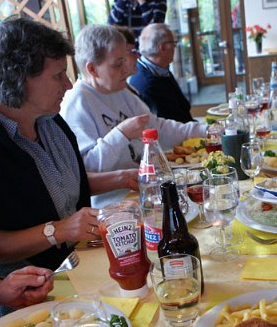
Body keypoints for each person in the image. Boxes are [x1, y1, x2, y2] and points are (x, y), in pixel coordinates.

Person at [0, 17, 138, 278]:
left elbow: (60, 184)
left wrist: (123, 177)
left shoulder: (51, 121)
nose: (69, 85)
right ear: (19, 79)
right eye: (59, 75)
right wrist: (58, 230)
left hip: (81, 259)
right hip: (32, 287)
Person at [61, 25, 206, 207]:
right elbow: (86, 170)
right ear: (92, 69)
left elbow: (159, 128)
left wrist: (206, 130)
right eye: (117, 64)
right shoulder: (77, 102)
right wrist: (121, 134)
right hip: (115, 205)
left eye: (125, 60)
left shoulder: (121, 91)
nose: (126, 69)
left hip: (145, 191)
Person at [129, 23, 196, 123]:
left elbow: (183, 108)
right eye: (174, 43)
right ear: (163, 47)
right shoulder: (147, 84)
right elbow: (171, 124)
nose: (175, 47)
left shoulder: (160, 70)